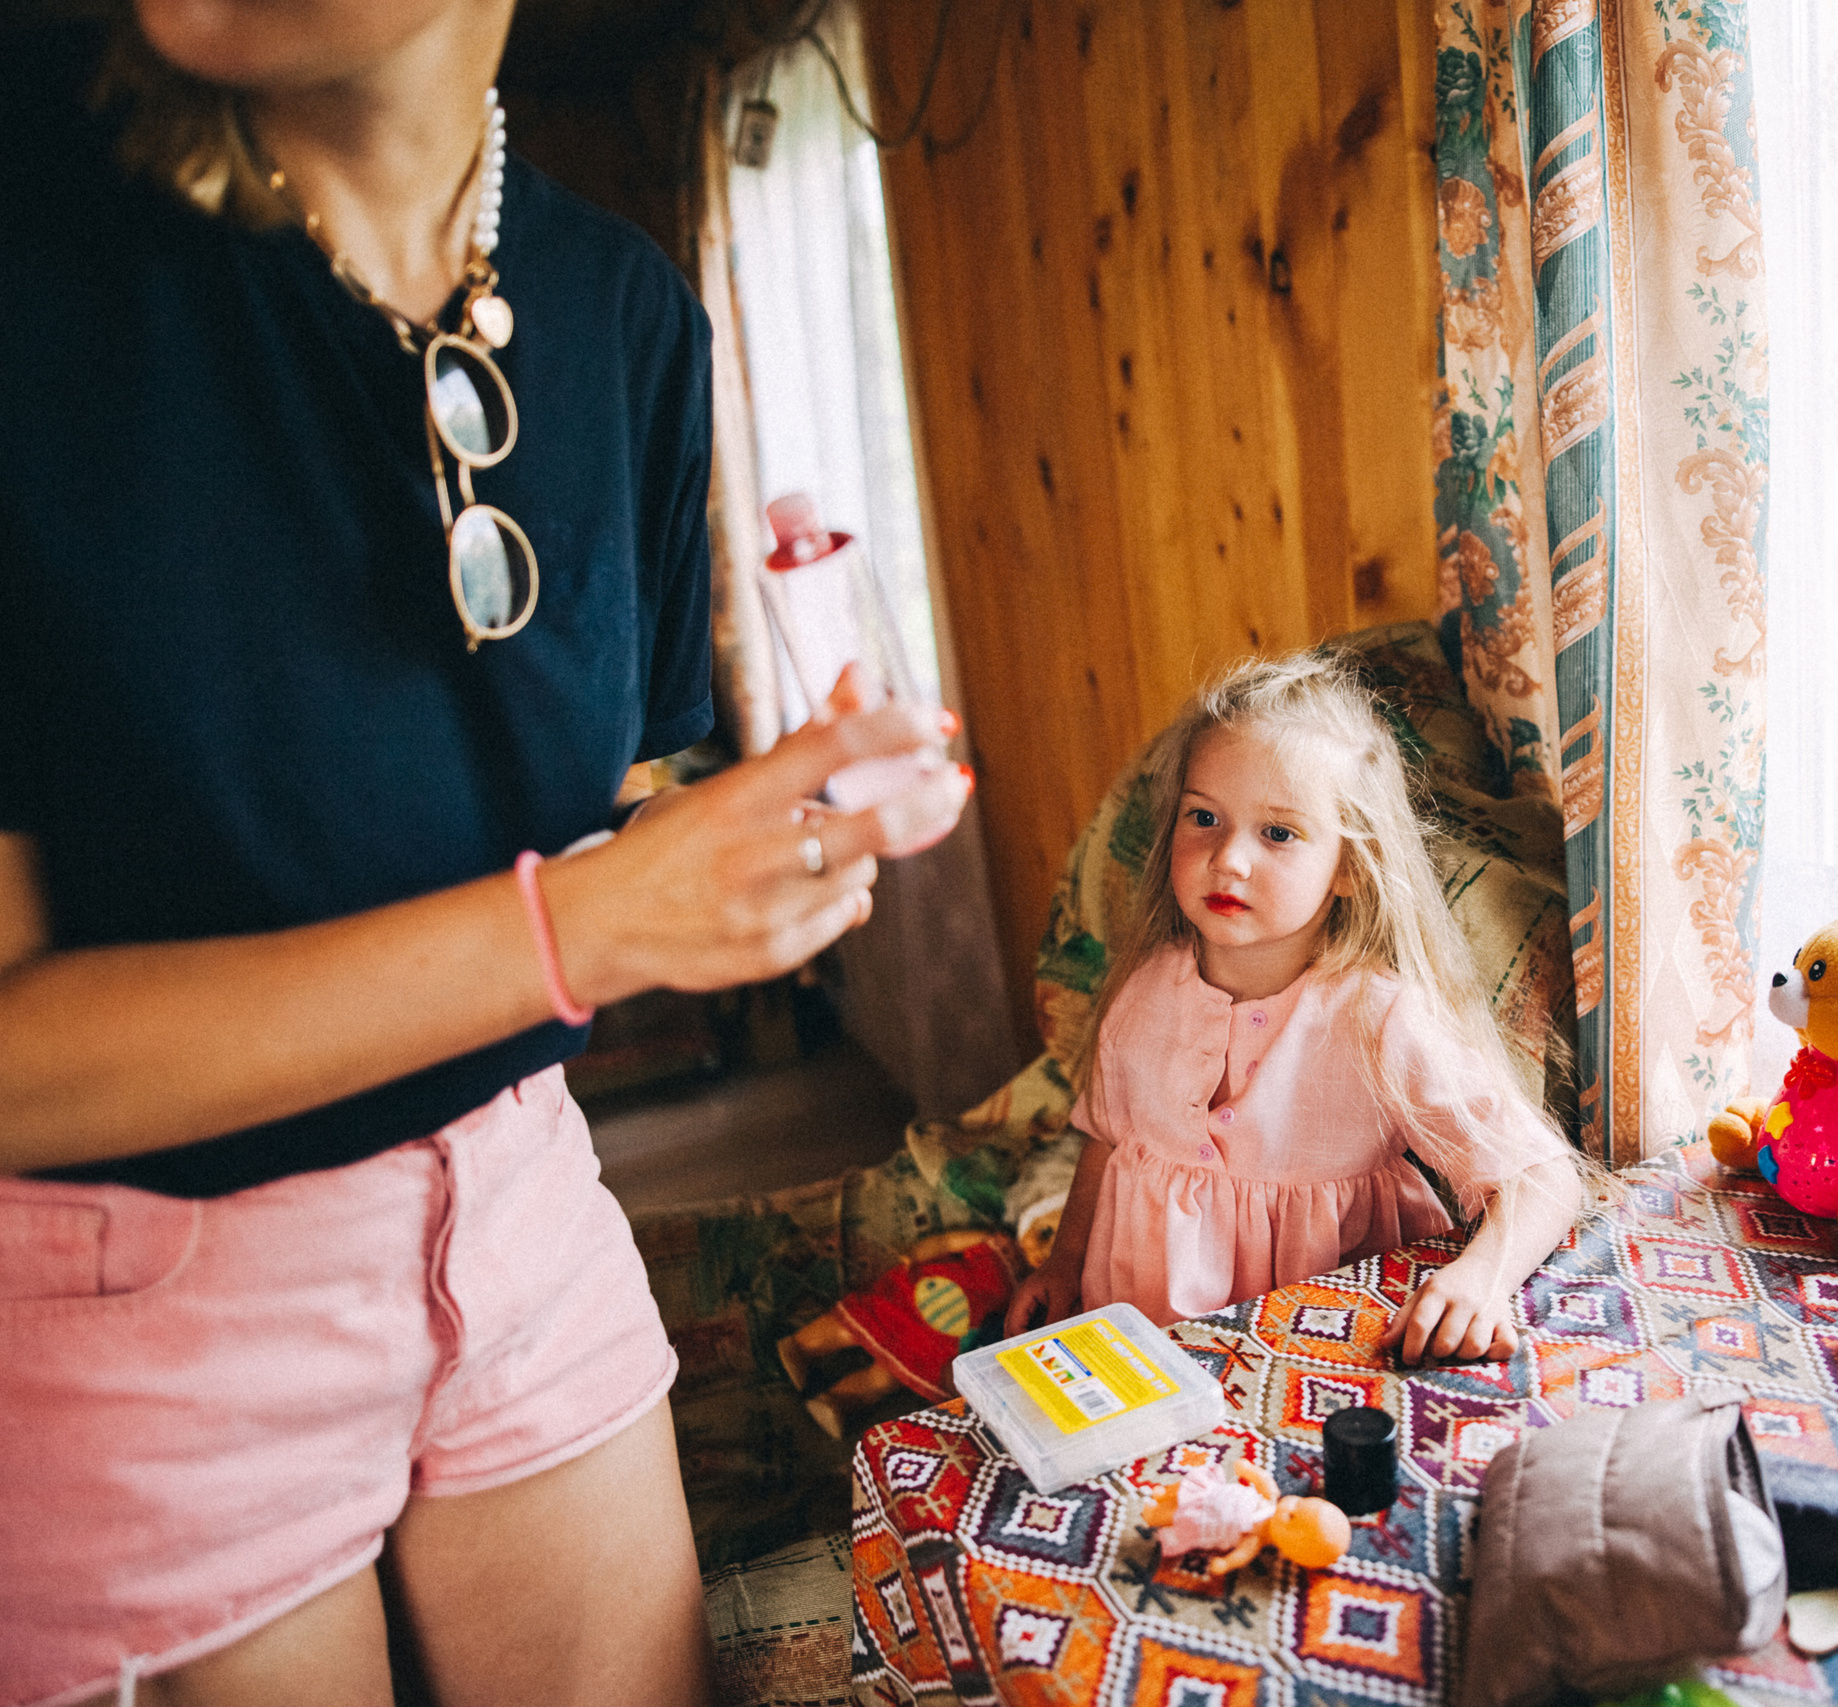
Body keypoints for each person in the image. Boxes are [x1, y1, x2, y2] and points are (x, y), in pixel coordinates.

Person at [0, 3, 969, 1704]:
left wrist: (774, 840)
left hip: (521, 1196)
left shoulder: (628, 320)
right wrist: (587, 926)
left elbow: (583, 841)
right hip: (128, 1287)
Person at [1002, 653, 1588, 1366]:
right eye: (1204, 817)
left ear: (1349, 865)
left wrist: (1478, 1281)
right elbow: (1106, 1134)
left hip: (1309, 1367)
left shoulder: (1377, 1019)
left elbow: (1542, 1177)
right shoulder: (1144, 988)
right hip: (1140, 1350)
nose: (1229, 859)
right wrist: (1065, 1263)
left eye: (1277, 832)